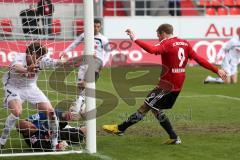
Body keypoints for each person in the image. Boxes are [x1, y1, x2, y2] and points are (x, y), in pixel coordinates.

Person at [102, 24, 227, 144]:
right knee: (155, 109)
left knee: (146, 107)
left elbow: (152, 50)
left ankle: (120, 128)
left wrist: (135, 38)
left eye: (158, 35)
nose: (158, 38)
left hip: (166, 85)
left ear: (163, 33)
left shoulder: (167, 43)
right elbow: (199, 59)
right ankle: (173, 137)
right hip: (178, 84)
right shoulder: (185, 43)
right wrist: (217, 70)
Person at [0, 42, 66, 150]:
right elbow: (16, 67)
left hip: (31, 88)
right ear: (29, 54)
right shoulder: (19, 57)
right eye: (38, 55)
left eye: (41, 56)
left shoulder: (42, 61)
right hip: (14, 87)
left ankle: (54, 144)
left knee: (51, 112)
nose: (39, 59)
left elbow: (57, 62)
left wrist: (64, 61)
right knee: (17, 112)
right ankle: (2, 140)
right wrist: (27, 69)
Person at [60, 19, 111, 114]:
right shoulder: (85, 35)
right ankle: (83, 104)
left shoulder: (103, 39)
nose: (96, 28)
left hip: (96, 61)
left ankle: (79, 103)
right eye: (94, 26)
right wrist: (65, 52)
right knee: (80, 84)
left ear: (100, 27)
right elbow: (74, 44)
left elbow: (108, 52)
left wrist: (103, 63)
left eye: (98, 26)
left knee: (87, 80)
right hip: (85, 61)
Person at [16, 109, 86, 151]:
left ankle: (80, 115)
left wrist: (63, 114)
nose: (33, 126)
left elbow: (48, 112)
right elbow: (48, 147)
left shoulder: (31, 119)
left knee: (66, 116)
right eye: (30, 128)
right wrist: (58, 146)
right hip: (57, 136)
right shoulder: (33, 141)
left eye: (31, 124)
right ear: (26, 133)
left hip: (55, 127)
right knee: (83, 132)